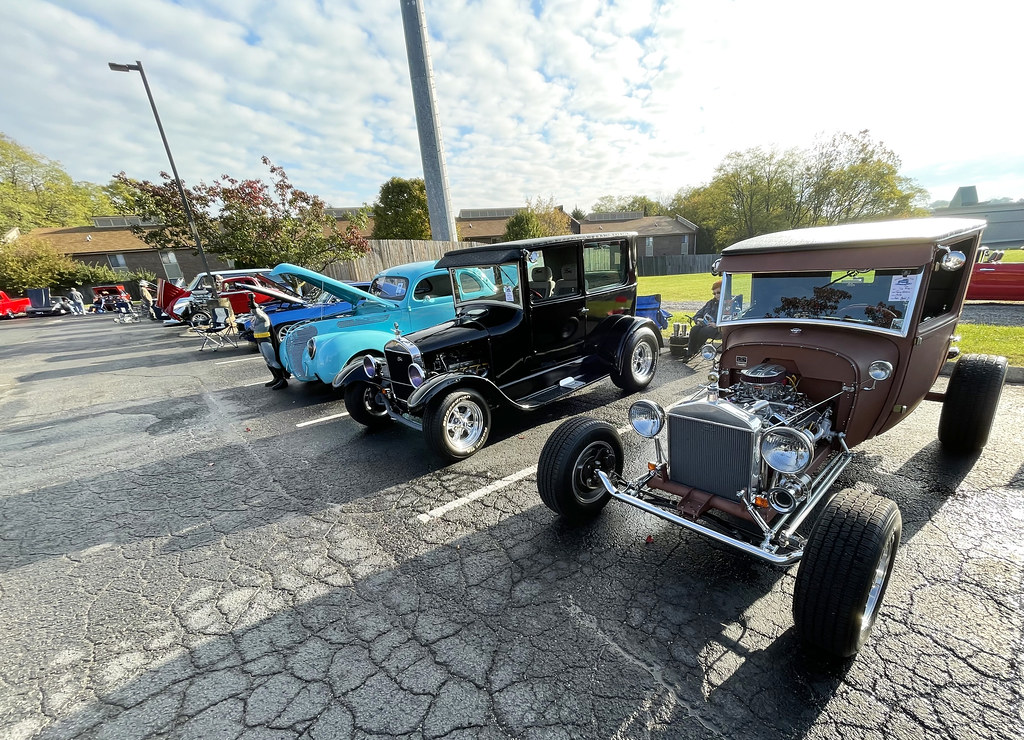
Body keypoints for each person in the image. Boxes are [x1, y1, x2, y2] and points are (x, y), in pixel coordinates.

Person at [250, 293, 288, 390]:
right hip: (259, 340)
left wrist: (252, 301)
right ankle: (276, 377)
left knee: (272, 360)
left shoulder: (262, 317)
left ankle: (282, 379)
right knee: (267, 360)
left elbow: (256, 311)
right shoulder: (255, 318)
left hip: (266, 340)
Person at [683, 280, 722, 359]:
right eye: (714, 293)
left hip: (719, 329)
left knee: (705, 330)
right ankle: (690, 352)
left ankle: (694, 350)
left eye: (718, 292)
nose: (716, 295)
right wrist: (698, 320)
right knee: (695, 328)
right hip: (705, 326)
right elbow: (698, 314)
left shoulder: (728, 303)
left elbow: (732, 319)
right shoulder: (710, 303)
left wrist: (717, 324)